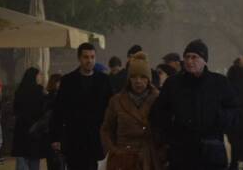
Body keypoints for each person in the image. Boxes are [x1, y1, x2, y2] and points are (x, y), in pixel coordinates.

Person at [150, 39, 240, 169]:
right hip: (181, 153)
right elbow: (159, 112)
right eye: (186, 57)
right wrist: (169, 137)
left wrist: (219, 118)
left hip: (211, 151)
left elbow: (234, 110)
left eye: (194, 57)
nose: (189, 61)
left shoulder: (219, 83)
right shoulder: (173, 84)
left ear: (204, 60)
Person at [50, 42, 114, 170]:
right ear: (79, 58)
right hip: (74, 137)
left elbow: (111, 108)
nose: (89, 61)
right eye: (86, 57)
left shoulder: (104, 80)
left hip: (96, 137)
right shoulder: (68, 81)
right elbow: (58, 110)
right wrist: (56, 137)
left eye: (92, 57)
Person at [100, 52, 164, 170]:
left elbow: (166, 129)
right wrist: (114, 152)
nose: (138, 81)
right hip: (123, 159)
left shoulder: (159, 100)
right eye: (134, 77)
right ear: (129, 79)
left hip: (150, 159)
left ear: (148, 79)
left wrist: (161, 154)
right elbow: (106, 130)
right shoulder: (117, 101)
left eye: (142, 77)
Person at [11, 67, 47, 170]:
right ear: (34, 76)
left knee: (22, 160)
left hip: (21, 128)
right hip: (35, 129)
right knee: (34, 160)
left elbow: (15, 109)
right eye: (39, 75)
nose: (40, 77)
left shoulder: (20, 90)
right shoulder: (39, 91)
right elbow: (42, 110)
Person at [42, 74, 64, 170]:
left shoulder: (46, 97)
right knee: (59, 162)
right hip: (56, 134)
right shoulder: (57, 98)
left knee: (52, 163)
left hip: (48, 135)